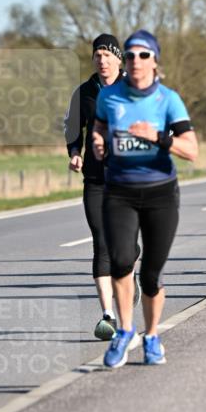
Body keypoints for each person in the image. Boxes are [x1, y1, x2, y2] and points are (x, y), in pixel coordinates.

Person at [92, 30, 198, 368]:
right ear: (124, 61)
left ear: (154, 61)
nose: (136, 61)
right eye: (130, 55)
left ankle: (152, 336)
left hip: (160, 193)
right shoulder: (109, 96)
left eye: (143, 55)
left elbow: (192, 150)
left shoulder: (168, 99)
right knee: (121, 260)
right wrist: (97, 141)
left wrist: (158, 137)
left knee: (151, 275)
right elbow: (98, 126)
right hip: (119, 191)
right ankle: (125, 330)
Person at [64, 34, 140, 340]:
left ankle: (132, 260)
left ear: (119, 59)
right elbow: (72, 127)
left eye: (107, 55)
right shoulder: (84, 92)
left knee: (124, 247)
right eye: (97, 55)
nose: (102, 60)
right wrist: (74, 152)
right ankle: (108, 316)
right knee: (101, 242)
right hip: (95, 179)